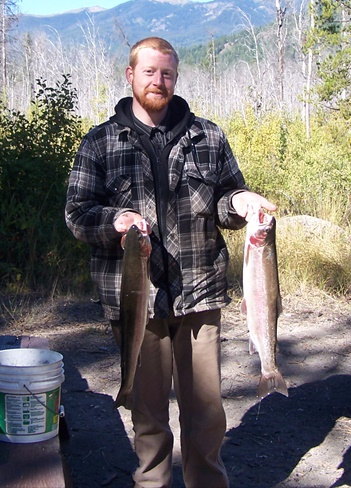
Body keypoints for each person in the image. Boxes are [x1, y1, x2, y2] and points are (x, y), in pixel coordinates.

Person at [65, 36, 276, 488]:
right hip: (136, 301)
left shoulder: (209, 136)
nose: (158, 81)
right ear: (130, 76)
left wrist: (242, 202)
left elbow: (224, 199)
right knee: (149, 417)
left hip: (200, 294)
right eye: (149, 72)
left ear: (175, 78)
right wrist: (115, 220)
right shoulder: (100, 143)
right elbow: (78, 214)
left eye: (167, 73)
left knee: (205, 413)